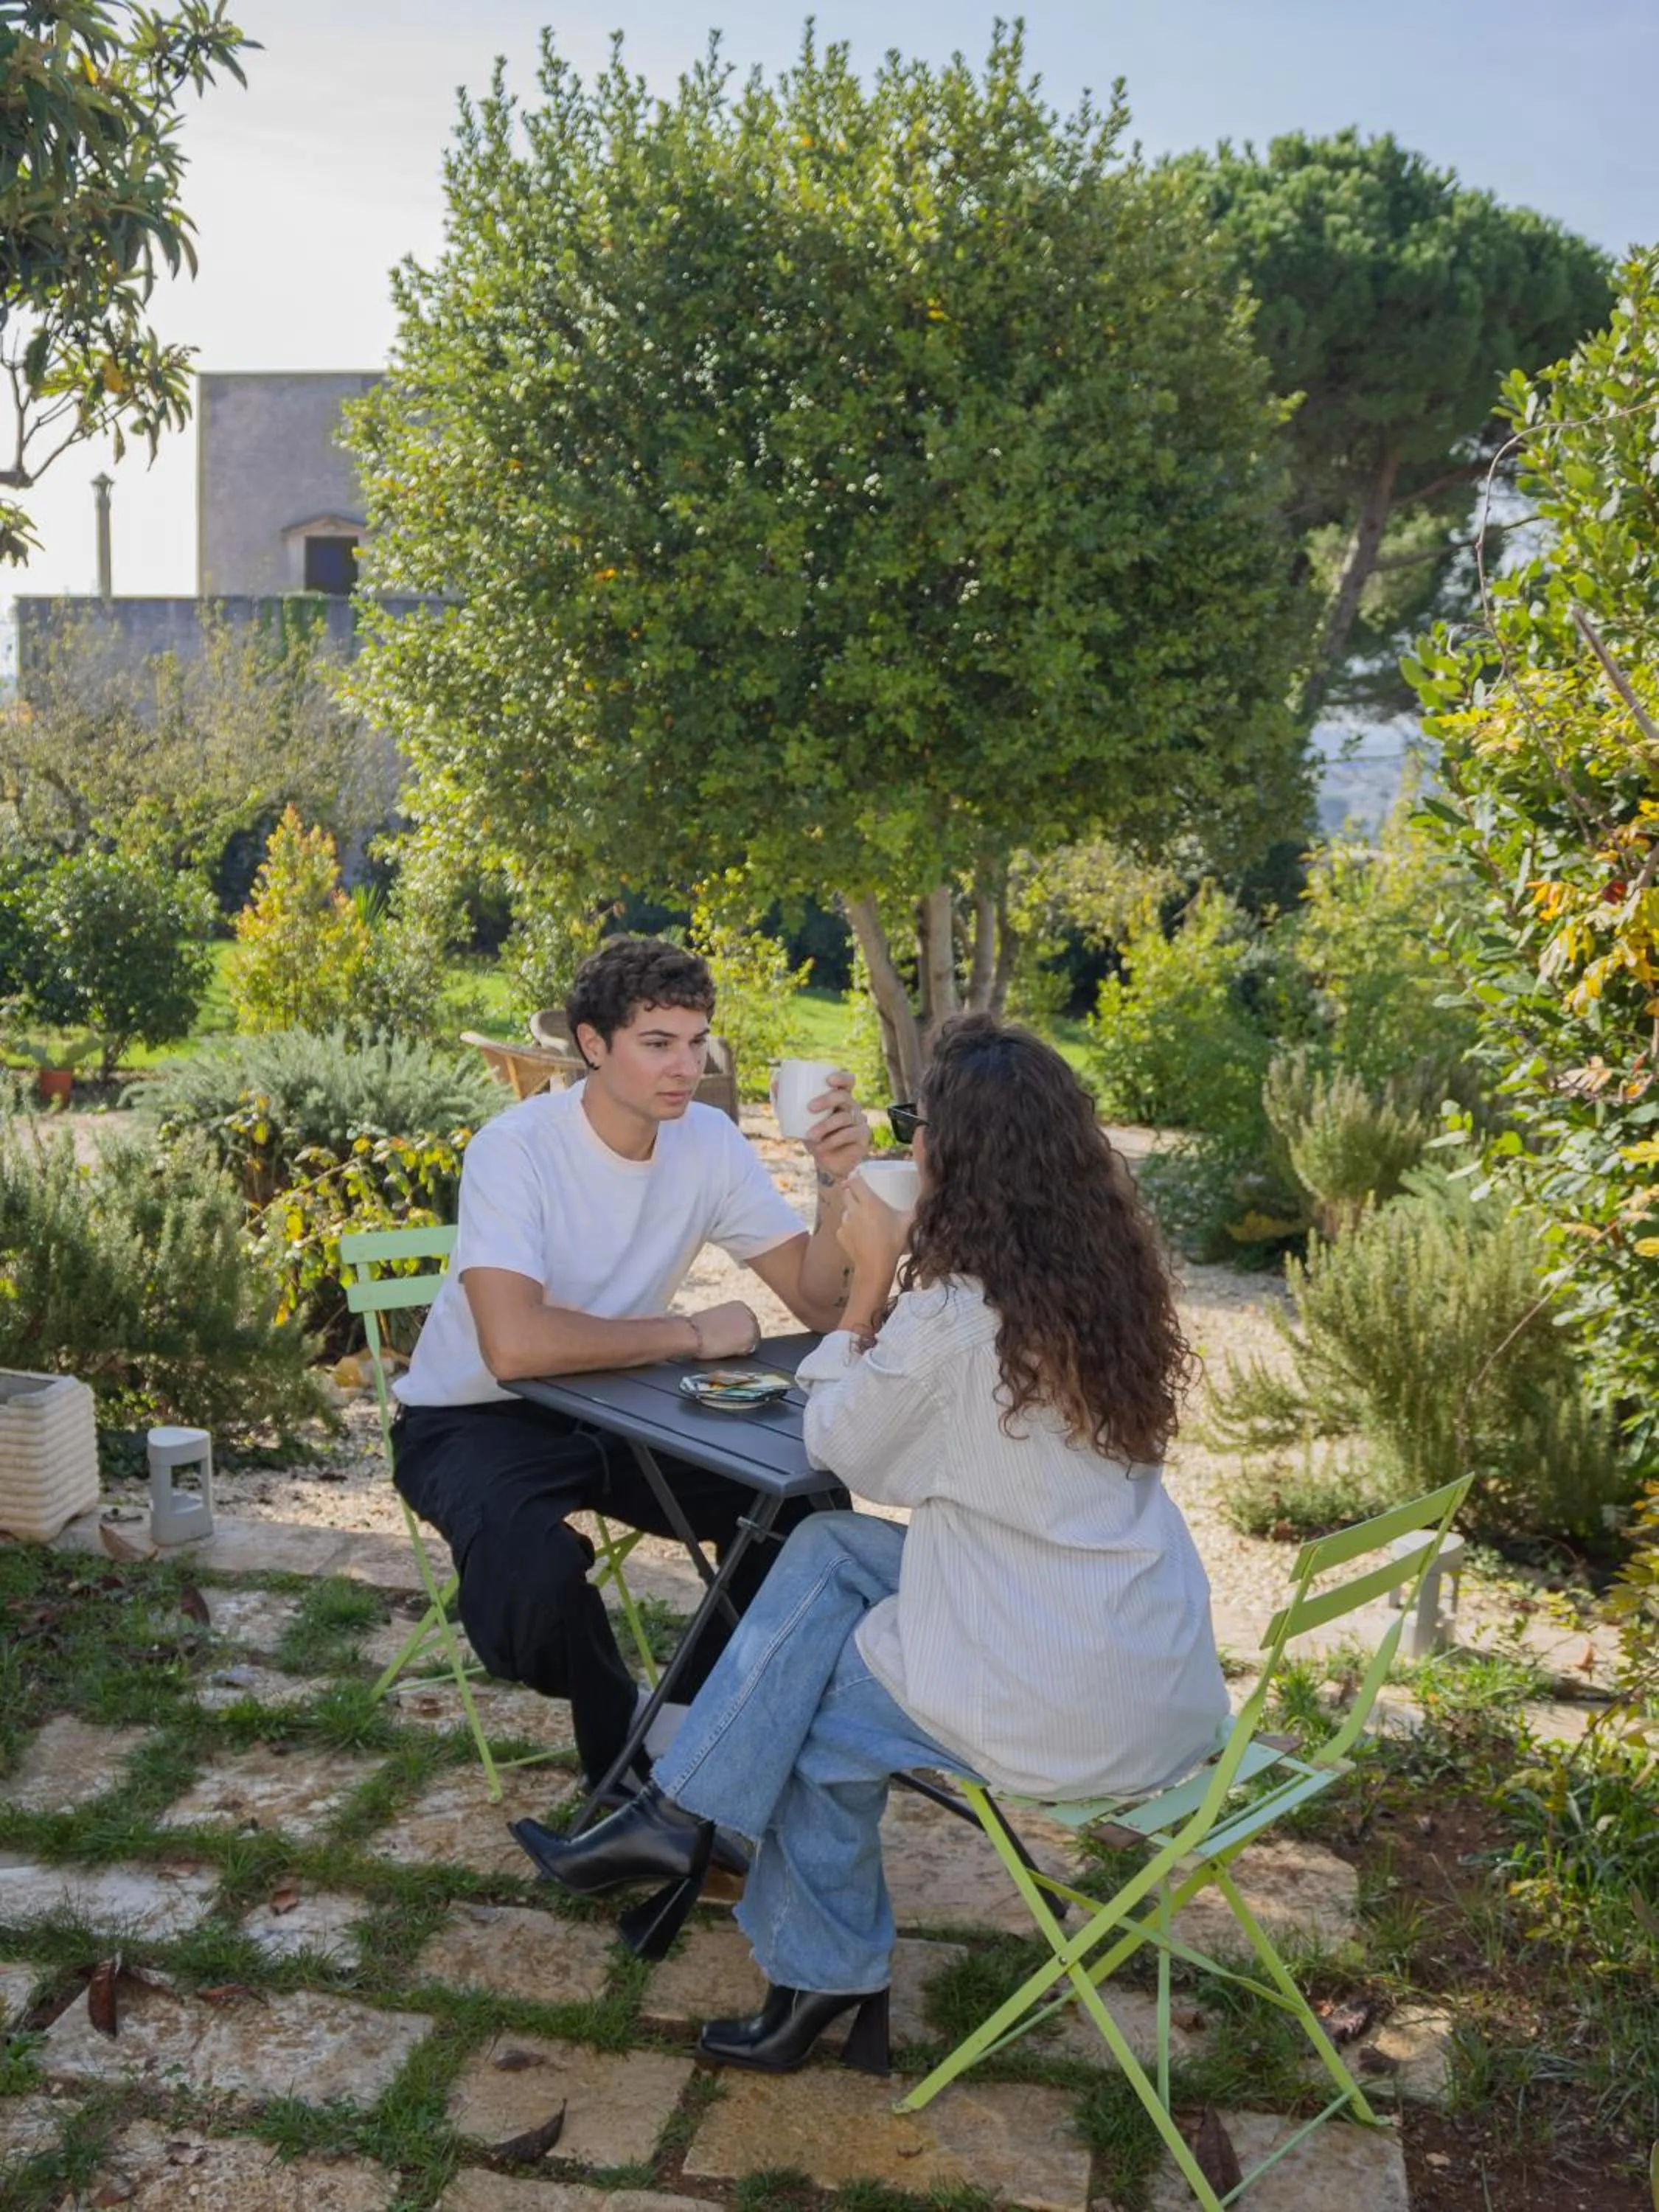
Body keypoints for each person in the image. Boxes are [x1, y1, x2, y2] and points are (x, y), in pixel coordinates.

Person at [512, 1012, 1229, 2073]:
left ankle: (816, 1971)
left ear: (963, 1157)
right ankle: (679, 1817)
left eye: (914, 1125)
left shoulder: (954, 1318)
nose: (905, 1145)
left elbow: (840, 1441)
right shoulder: (1102, 1285)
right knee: (831, 1549)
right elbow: (870, 1478)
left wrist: (865, 1286)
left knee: (802, 1716)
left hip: (1057, 1701)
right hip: (1145, 1660)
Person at [390, 935, 869, 1789]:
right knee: (533, 1582)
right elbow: (514, 1346)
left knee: (808, 1510)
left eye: (697, 1043)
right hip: (469, 1419)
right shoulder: (517, 1148)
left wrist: (834, 1184)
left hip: (622, 1406)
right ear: (592, 1044)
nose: (685, 1067)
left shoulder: (709, 1142)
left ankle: (682, 1735)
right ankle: (628, 1750)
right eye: (658, 1044)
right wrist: (687, 1335)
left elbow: (821, 1304)